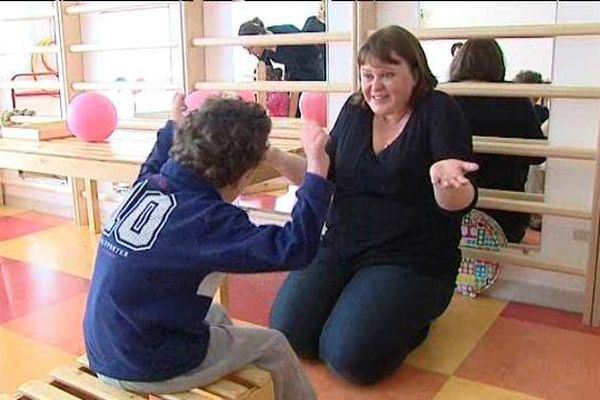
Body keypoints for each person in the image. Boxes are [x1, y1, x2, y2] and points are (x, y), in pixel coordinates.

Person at [83, 94, 334, 400]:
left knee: (216, 315)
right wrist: (317, 171)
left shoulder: (150, 184)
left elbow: (157, 157)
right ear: (242, 177)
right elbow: (295, 248)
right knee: (275, 346)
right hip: (143, 363)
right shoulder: (208, 221)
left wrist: (173, 125)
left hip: (105, 346)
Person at [266, 25, 479, 385]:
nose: (374, 85)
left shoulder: (438, 110)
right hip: (341, 245)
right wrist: (272, 156)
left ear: (415, 74)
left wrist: (444, 181)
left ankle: (414, 322)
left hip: (411, 259)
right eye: (368, 75)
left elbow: (459, 202)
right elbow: (320, 176)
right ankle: (361, 303)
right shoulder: (354, 111)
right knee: (288, 334)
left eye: (388, 74)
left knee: (349, 358)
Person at [449, 39, 546, 242]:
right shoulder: (515, 98)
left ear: (460, 61)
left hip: (452, 210)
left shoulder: (445, 97)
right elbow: (538, 155)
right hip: (507, 213)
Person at [239, 17, 325, 117]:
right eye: (246, 49)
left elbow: (313, 51)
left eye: (250, 48)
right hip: (295, 73)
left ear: (260, 36)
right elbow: (266, 69)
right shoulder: (262, 51)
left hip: (314, 66)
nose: (249, 53)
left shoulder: (285, 35)